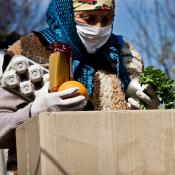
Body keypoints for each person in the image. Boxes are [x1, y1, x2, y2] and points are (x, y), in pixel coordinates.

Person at [0, 0, 159, 171]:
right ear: (67, 14)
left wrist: (147, 113)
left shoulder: (126, 58)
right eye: (88, 18)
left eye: (106, 19)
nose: (98, 27)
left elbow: (141, 141)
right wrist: (33, 112)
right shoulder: (30, 51)